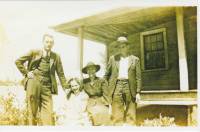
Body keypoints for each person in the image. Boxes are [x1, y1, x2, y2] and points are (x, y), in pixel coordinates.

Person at [15, 34, 69, 125]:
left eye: (51, 42)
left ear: (53, 44)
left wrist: (66, 87)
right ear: (43, 42)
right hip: (33, 83)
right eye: (47, 42)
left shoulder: (56, 56)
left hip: (47, 86)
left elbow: (61, 74)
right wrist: (26, 72)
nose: (49, 44)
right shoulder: (34, 52)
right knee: (32, 111)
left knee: (48, 112)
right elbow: (18, 61)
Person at [104, 36, 142, 126]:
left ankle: (130, 126)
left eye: (123, 46)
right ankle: (117, 126)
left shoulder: (135, 59)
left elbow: (138, 77)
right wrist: (106, 89)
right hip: (117, 85)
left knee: (131, 109)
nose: (121, 49)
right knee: (116, 109)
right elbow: (106, 75)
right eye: (119, 47)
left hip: (130, 86)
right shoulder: (113, 59)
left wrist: (138, 92)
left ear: (128, 47)